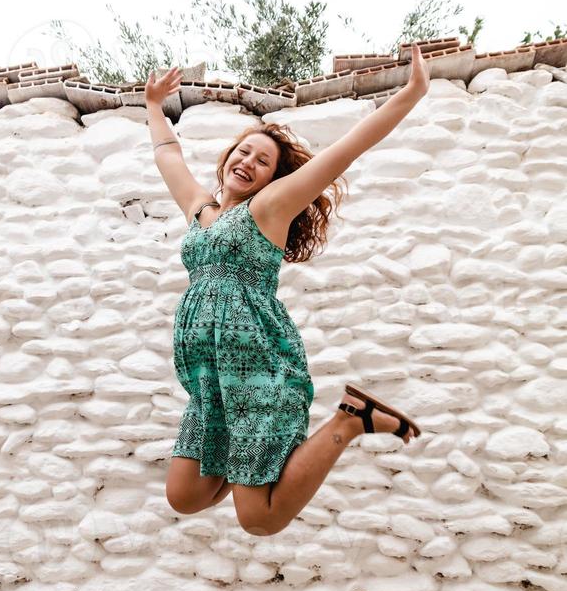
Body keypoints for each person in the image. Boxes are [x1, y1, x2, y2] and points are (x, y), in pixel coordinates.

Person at [146, 44, 430, 536]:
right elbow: (168, 155)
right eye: (243, 151)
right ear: (226, 159)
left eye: (263, 161)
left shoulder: (270, 207)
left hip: (255, 367)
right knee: (184, 495)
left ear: (273, 178)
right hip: (210, 381)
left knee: (260, 519)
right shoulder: (202, 212)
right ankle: (254, 460)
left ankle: (350, 421)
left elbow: (349, 148)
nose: (249, 161)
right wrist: (153, 105)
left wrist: (411, 93)